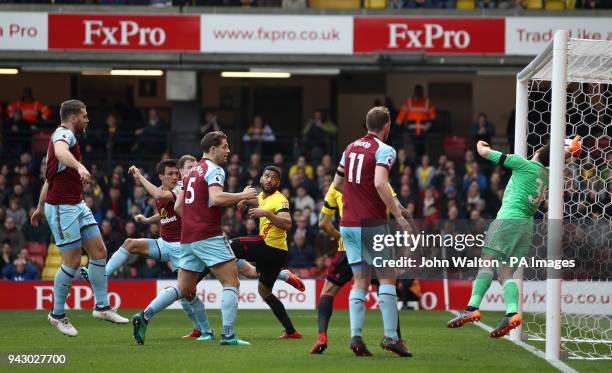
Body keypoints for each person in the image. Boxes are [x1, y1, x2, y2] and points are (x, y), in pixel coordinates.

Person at [131, 131, 258, 346]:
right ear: (213, 149)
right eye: (225, 146)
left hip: (187, 237)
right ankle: (228, 335)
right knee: (231, 282)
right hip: (208, 234)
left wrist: (193, 221)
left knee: (184, 288)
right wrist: (243, 195)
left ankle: (144, 315)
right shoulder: (214, 169)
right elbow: (216, 198)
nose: (228, 151)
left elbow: (179, 206)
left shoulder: (191, 173)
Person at [447, 139, 577, 337]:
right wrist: (567, 151)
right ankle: (512, 313)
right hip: (526, 227)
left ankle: (472, 307)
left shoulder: (523, 164)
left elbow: (484, 153)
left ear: (540, 151)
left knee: (486, 264)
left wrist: (480, 145)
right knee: (506, 273)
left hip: (508, 220)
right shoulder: (546, 174)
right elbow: (554, 157)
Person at [83, 158, 215, 341]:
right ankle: (100, 275)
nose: (175, 176)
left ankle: (204, 330)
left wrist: (139, 176)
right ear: (161, 176)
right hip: (164, 243)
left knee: (188, 293)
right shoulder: (164, 192)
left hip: (180, 248)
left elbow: (160, 196)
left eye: (176, 173)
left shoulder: (180, 189)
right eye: (170, 173)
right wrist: (147, 221)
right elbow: (164, 213)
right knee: (130, 243)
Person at [30, 99, 128, 337]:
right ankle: (57, 314)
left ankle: (102, 306)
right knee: (72, 262)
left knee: (99, 251)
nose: (87, 120)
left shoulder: (65, 139)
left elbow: (49, 178)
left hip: (76, 204)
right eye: (84, 116)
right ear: (73, 118)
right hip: (63, 208)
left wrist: (40, 206)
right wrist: (80, 167)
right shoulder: (64, 135)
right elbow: (62, 152)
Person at [332, 106, 412, 357]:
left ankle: (356, 336)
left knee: (360, 281)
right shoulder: (385, 150)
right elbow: (379, 182)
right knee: (387, 278)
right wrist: (398, 216)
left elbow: (336, 184)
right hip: (371, 224)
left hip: (348, 223)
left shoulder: (349, 148)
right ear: (386, 126)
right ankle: (391, 337)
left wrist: (358, 199)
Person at [310, 182, 409, 354]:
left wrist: (341, 236)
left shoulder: (336, 186)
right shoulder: (378, 180)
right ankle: (395, 339)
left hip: (348, 245)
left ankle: (322, 336)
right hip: (375, 239)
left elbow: (322, 223)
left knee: (328, 291)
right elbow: (397, 205)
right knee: (386, 287)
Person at [233, 166, 305, 339]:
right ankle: (291, 331)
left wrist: (266, 213)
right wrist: (243, 201)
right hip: (275, 253)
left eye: (273, 178)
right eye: (266, 176)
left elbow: (287, 224)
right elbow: (245, 204)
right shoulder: (261, 197)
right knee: (264, 292)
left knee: (229, 246)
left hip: (269, 247)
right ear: (261, 178)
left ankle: (191, 285)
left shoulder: (280, 200)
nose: (269, 180)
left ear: (278, 182)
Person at [395, 85, 436, 158]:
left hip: (423, 130)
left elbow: (433, 117)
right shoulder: (409, 101)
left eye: (420, 91)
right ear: (414, 92)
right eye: (417, 91)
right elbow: (401, 117)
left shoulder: (427, 102)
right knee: (413, 149)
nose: (418, 93)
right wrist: (397, 126)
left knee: (422, 148)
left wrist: (429, 124)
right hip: (411, 130)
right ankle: (414, 162)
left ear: (422, 92)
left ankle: (421, 162)